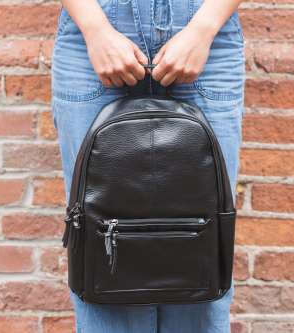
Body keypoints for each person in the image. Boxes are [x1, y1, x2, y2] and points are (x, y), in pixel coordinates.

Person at [50, 0, 245, 332]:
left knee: (201, 250)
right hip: (95, 31)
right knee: (103, 255)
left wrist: (203, 28)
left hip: (206, 33)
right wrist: (95, 29)